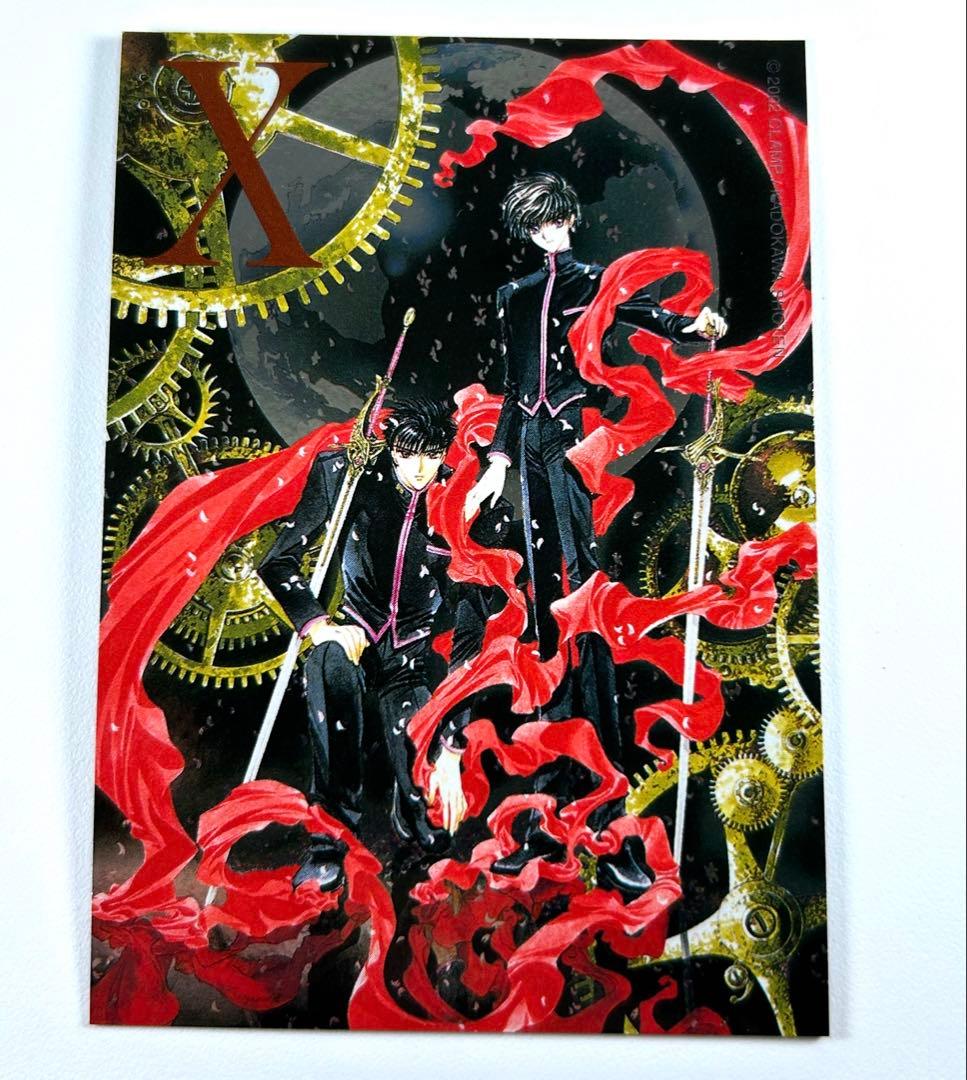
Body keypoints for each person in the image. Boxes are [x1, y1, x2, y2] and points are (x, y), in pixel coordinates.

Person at [461, 172, 727, 886]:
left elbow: (647, 315)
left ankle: (605, 803)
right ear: (526, 231)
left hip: (575, 446)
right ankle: (548, 799)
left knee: (583, 602)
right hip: (527, 448)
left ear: (570, 220)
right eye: (536, 225)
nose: (547, 233)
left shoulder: (594, 282)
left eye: (555, 221)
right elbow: (513, 388)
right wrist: (493, 464)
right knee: (541, 608)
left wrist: (694, 327)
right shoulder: (513, 296)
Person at [259, 398, 495, 890]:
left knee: (429, 803)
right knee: (328, 663)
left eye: (431, 455)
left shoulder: (461, 497)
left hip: (414, 658)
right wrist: (319, 625)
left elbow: (472, 632)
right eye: (407, 455)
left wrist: (453, 743)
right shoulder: (348, 476)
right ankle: (328, 842)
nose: (419, 469)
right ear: (391, 448)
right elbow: (277, 562)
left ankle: (415, 816)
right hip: (355, 636)